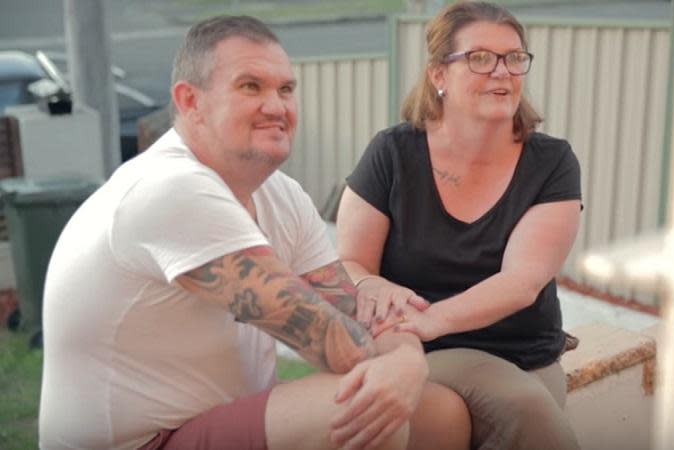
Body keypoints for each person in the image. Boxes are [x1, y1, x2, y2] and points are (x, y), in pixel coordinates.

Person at [38, 15, 470, 450]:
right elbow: (333, 341)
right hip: (140, 441)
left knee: (440, 414)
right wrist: (408, 361)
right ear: (191, 102)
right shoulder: (171, 188)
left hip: (213, 418)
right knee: (364, 406)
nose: (276, 106)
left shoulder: (281, 194)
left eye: (285, 89)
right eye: (250, 86)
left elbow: (352, 308)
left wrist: (401, 359)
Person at [336, 2, 582, 449]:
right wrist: (370, 285)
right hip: (416, 352)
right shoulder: (392, 153)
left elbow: (521, 282)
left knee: (524, 403)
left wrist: (432, 319)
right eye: (480, 58)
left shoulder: (551, 162)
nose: (502, 72)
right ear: (438, 75)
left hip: (521, 356)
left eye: (513, 58)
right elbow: (351, 261)